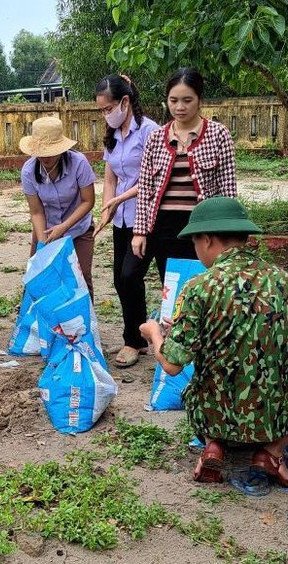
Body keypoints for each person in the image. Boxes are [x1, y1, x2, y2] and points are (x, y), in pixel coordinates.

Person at [140, 197, 288, 486]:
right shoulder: (283, 280)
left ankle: (213, 445)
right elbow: (259, 335)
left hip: (213, 411)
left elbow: (172, 365)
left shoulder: (199, 287)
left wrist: (155, 332)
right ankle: (272, 451)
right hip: (273, 411)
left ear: (206, 240)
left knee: (195, 390)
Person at [125, 68, 237, 360]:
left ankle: (206, 348)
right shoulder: (156, 138)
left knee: (202, 287)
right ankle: (174, 352)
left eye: (187, 100)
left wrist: (228, 234)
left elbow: (228, 188)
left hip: (202, 228)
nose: (179, 107)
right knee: (171, 289)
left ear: (199, 100)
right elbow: (146, 188)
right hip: (163, 226)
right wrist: (140, 231)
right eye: (173, 100)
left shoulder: (218, 135)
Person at [93, 74, 160, 368]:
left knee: (130, 276)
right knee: (120, 280)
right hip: (122, 220)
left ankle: (133, 340)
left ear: (125, 101)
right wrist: (107, 210)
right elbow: (111, 177)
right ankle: (141, 334)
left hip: (146, 217)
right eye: (101, 111)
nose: (105, 115)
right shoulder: (113, 136)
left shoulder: (150, 132)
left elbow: (153, 179)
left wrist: (119, 199)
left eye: (108, 109)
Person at [20, 116, 97, 295]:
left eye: (50, 151)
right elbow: (36, 211)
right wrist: (42, 242)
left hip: (78, 228)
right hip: (46, 229)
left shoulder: (79, 163)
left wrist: (63, 228)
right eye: (41, 151)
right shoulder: (28, 171)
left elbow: (88, 201)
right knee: (39, 276)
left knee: (80, 276)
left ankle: (84, 322)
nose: (45, 157)